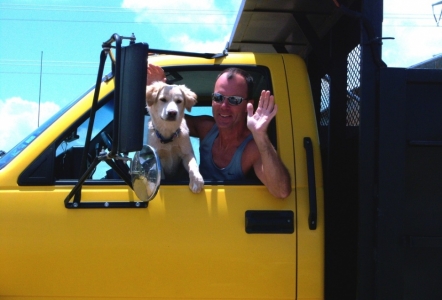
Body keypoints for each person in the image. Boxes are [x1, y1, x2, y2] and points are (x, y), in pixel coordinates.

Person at [147, 64, 291, 199]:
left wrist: (261, 135)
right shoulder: (206, 127)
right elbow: (166, 117)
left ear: (249, 105)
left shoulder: (252, 148)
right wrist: (159, 88)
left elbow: (281, 191)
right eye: (218, 98)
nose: (224, 106)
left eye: (234, 100)